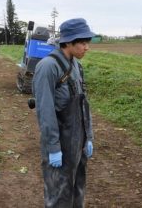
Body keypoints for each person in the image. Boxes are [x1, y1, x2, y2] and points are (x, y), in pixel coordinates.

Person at [32, 18, 95, 208]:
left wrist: (88, 137)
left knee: (77, 190)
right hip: (59, 142)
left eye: (87, 43)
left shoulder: (76, 66)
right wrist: (53, 147)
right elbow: (45, 110)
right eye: (83, 43)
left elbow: (84, 104)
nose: (87, 47)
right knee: (58, 196)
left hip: (78, 142)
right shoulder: (48, 67)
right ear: (68, 42)